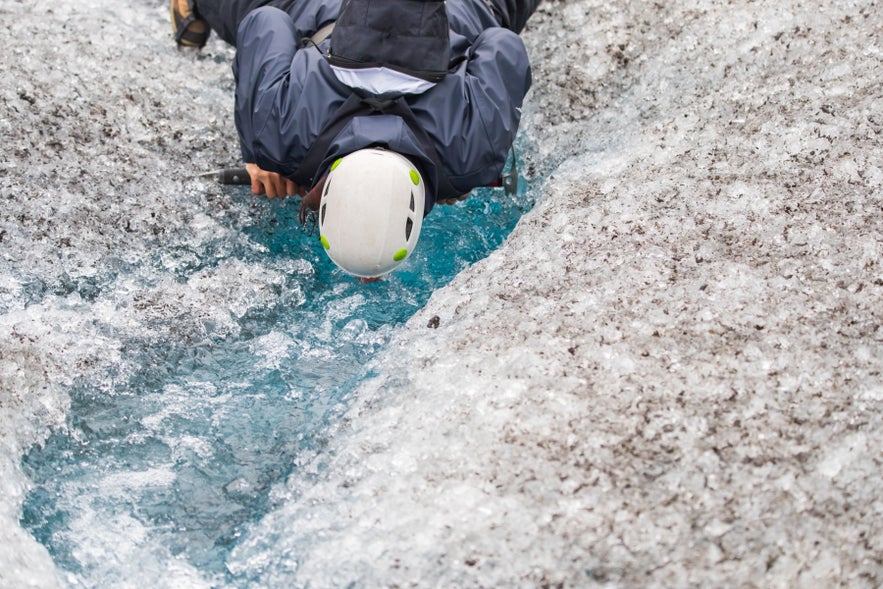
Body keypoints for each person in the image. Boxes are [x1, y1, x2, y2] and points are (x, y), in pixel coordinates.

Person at [171, 0, 539, 280]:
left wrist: (459, 168)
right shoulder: (280, 137)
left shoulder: (471, 153)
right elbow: (264, 25)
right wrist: (257, 151)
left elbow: (502, 46)